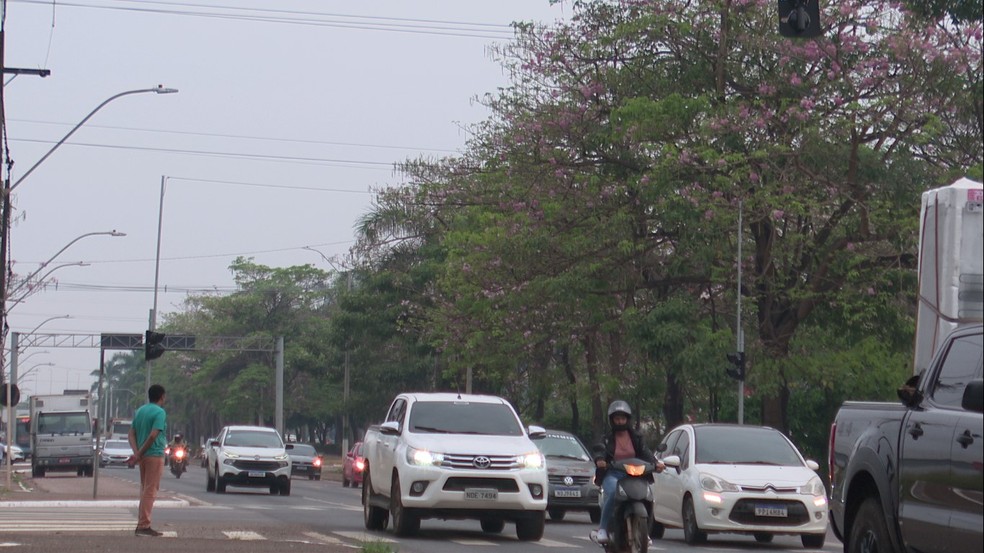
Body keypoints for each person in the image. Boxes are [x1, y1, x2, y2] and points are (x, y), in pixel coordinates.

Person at [590, 400, 663, 544]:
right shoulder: (607, 438)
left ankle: (644, 532)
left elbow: (645, 452)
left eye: (623, 418)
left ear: (628, 419)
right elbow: (600, 450)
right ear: (612, 420)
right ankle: (603, 528)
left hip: (635, 474)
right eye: (617, 418)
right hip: (614, 474)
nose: (620, 421)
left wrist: (655, 463)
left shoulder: (637, 437)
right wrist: (600, 460)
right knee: (612, 493)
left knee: (647, 496)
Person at [128, 384, 167, 537]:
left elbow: (131, 434)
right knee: (150, 490)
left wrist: (137, 453)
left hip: (143, 457)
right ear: (162, 396)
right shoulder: (160, 412)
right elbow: (153, 435)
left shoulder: (140, 411)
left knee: (145, 490)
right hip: (154, 454)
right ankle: (144, 525)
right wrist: (141, 453)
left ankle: (142, 523)